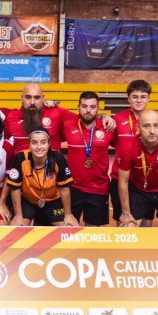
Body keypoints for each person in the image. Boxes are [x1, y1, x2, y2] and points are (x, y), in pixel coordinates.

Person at [118, 110, 158, 228]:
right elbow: (123, 181)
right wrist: (126, 213)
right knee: (127, 227)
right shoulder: (127, 147)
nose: (152, 131)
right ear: (138, 127)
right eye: (146, 126)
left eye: (156, 125)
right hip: (139, 190)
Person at [4, 83, 114, 153]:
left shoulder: (57, 113)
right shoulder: (11, 116)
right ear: (22, 98)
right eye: (28, 97)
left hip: (50, 173)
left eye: (37, 98)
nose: (32, 102)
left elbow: (84, 116)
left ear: (43, 98)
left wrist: (103, 116)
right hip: (22, 172)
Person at [63, 92, 117, 226]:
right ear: (78, 107)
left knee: (93, 232)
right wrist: (50, 103)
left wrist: (106, 117)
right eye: (84, 106)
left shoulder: (108, 127)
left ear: (98, 108)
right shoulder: (68, 125)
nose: (88, 110)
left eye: (93, 107)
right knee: (68, 229)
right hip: (72, 188)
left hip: (99, 189)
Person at [6, 127, 78, 227]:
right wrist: (18, 215)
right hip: (28, 200)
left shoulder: (58, 158)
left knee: (67, 227)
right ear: (29, 144)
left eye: (43, 142)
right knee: (18, 228)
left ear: (49, 144)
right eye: (34, 143)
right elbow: (15, 188)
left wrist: (68, 214)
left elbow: (64, 188)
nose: (39, 147)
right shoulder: (20, 158)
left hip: (53, 200)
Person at [110, 79, 152, 223]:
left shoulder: (154, 120)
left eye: (143, 97)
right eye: (135, 97)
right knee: (122, 220)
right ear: (128, 99)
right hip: (120, 177)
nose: (139, 100)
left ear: (148, 98)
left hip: (144, 178)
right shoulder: (117, 119)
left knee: (146, 221)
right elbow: (114, 142)